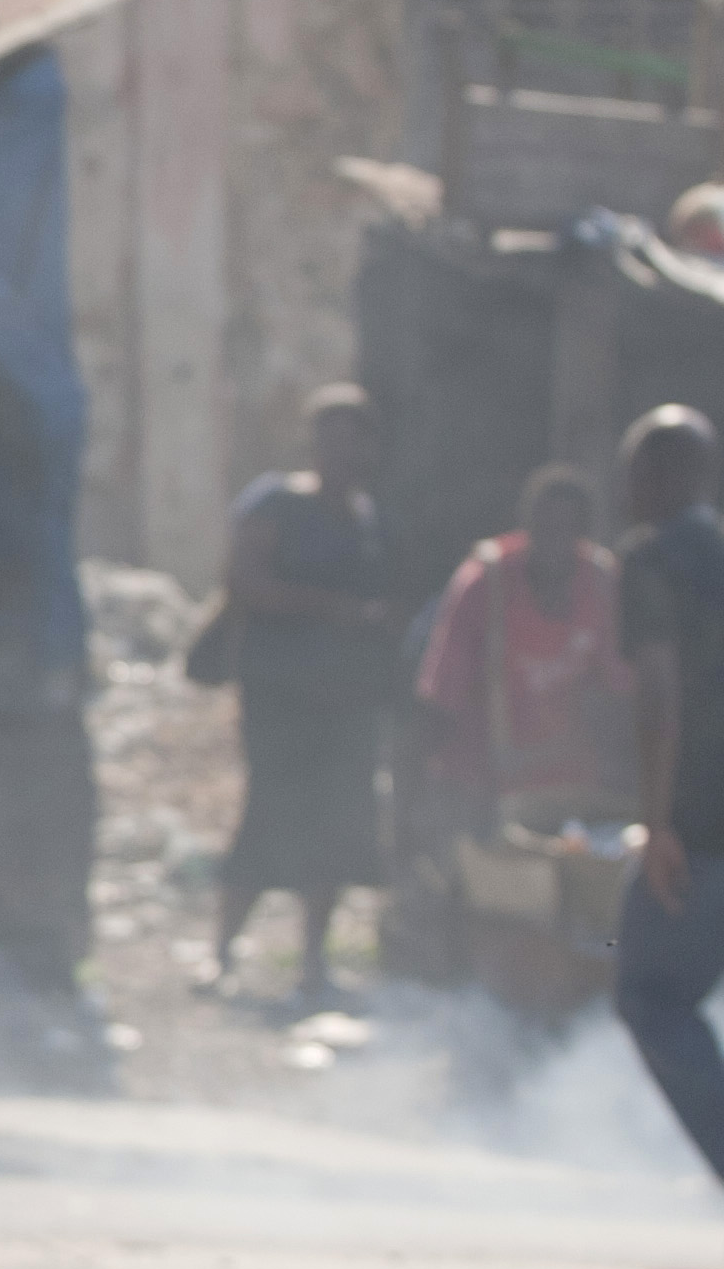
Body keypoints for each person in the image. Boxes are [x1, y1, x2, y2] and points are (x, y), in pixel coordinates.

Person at [214, 385, 394, 1005]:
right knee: (267, 817)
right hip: (279, 695)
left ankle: (314, 965)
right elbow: (244, 583)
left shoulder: (368, 517)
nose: (347, 454)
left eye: (358, 441)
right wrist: (333, 611)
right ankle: (222, 954)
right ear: (315, 445)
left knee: (336, 829)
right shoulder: (278, 503)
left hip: (343, 703)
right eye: (334, 440)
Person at [616, 405, 724, 1185]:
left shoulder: (652, 559)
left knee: (651, 996)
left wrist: (657, 824)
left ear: (659, 474)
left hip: (698, 823)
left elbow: (659, 693)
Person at [414, 465, 631, 826]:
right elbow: (441, 696)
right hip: (484, 786)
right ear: (526, 525)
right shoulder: (485, 582)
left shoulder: (602, 581)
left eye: (568, 530)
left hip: (572, 792)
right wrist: (426, 798)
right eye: (546, 528)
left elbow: (619, 688)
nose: (556, 543)